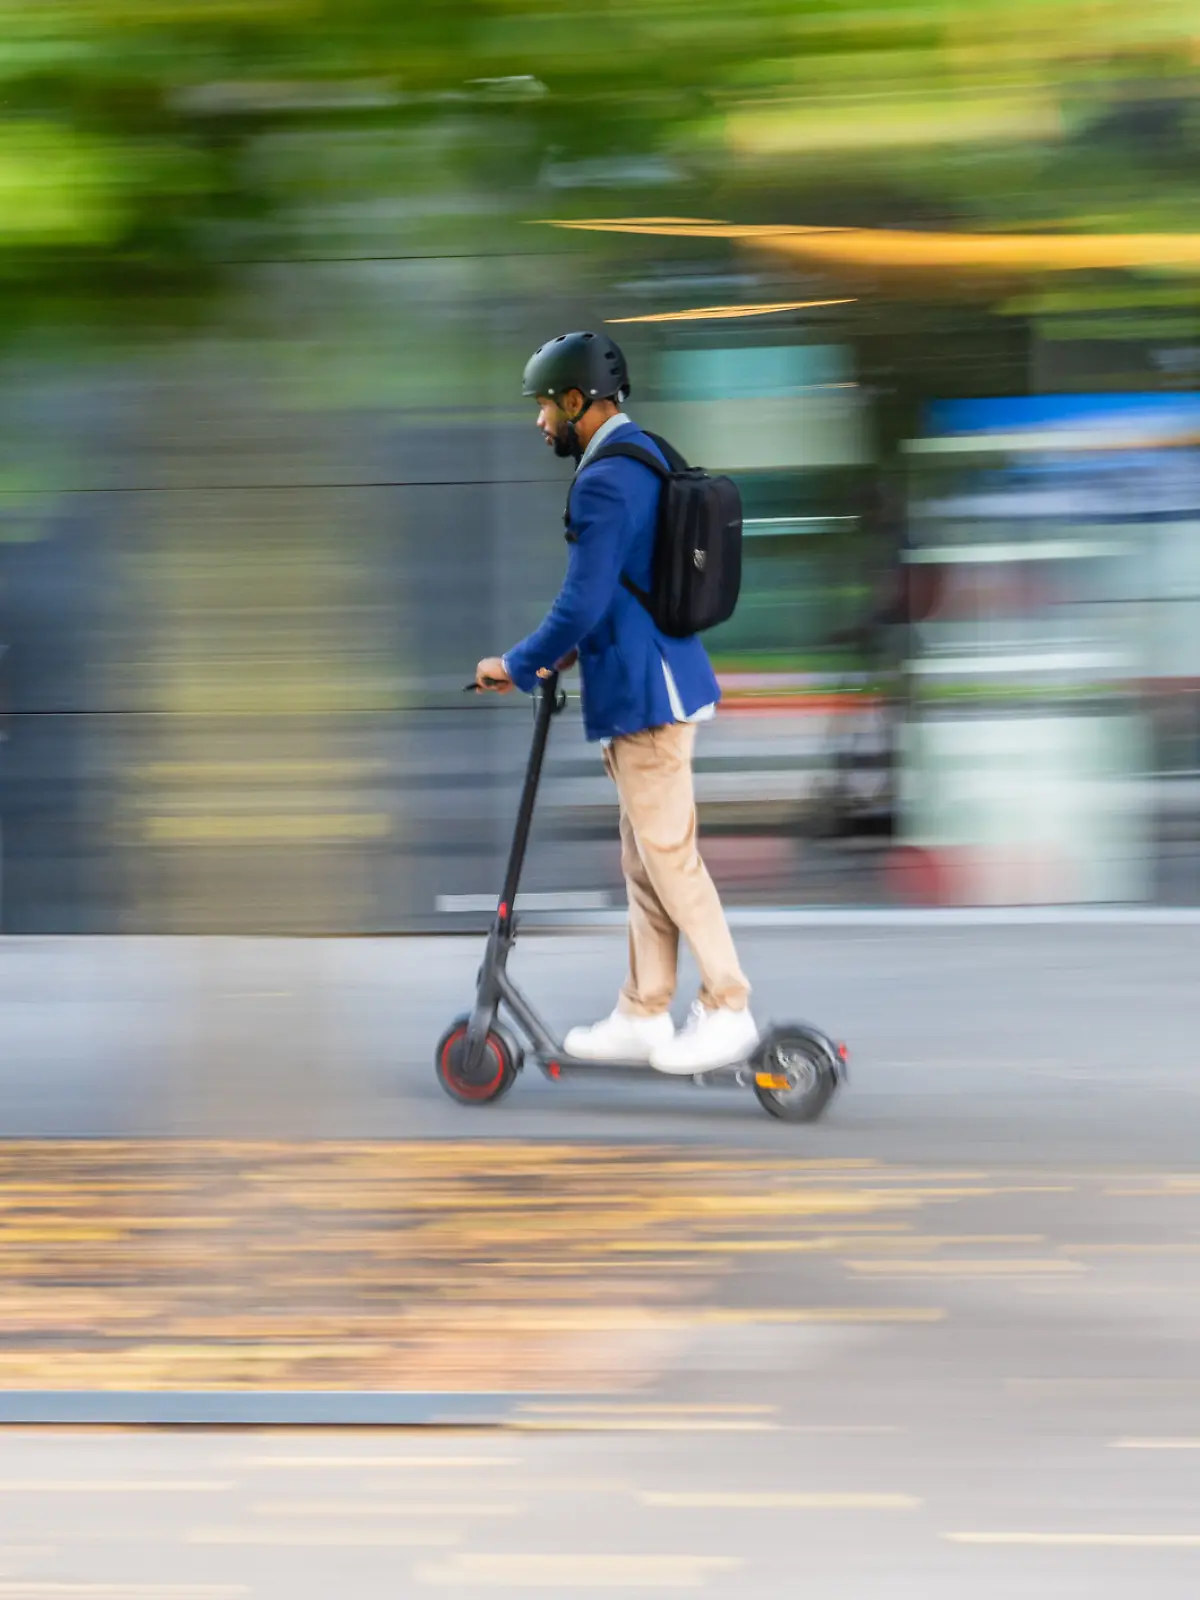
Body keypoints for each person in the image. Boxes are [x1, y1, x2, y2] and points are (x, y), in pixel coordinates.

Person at [474, 330, 757, 1073]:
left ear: (578, 401)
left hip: (645, 696)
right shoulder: (647, 454)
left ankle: (728, 1004)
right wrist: (556, 657)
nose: (540, 423)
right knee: (646, 861)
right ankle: (644, 1009)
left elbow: (583, 598)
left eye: (545, 407)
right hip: (659, 679)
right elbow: (625, 585)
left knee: (669, 858)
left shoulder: (603, 480)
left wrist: (520, 661)